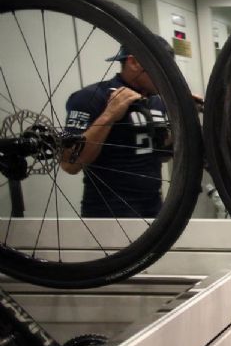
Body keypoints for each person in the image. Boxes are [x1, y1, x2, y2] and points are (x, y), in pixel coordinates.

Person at [60, 37, 174, 218]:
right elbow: (69, 164)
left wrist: (181, 122)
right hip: (108, 212)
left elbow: (162, 156)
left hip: (153, 209)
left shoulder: (156, 101)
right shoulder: (92, 97)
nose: (168, 77)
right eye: (162, 69)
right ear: (134, 62)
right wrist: (109, 114)